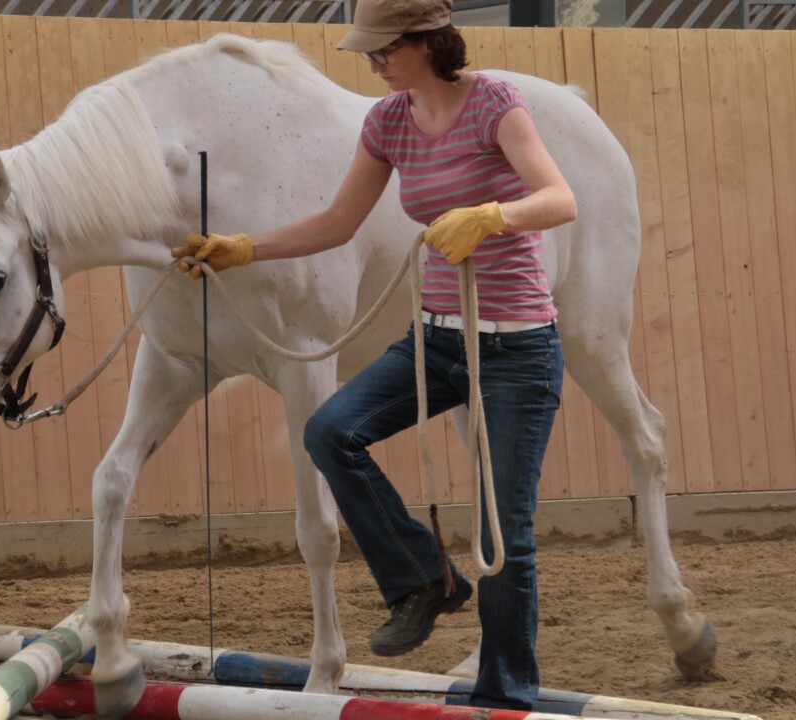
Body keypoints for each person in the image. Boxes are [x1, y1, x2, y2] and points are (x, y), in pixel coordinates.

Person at [171, 0, 576, 709]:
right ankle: (424, 577)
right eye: (370, 52)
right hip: (440, 338)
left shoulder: (494, 104)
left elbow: (558, 197)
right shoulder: (388, 121)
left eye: (385, 49)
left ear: (427, 43)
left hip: (518, 349)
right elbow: (337, 221)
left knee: (501, 533)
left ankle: (505, 694)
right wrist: (243, 249)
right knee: (330, 430)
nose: (373, 62)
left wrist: (493, 216)